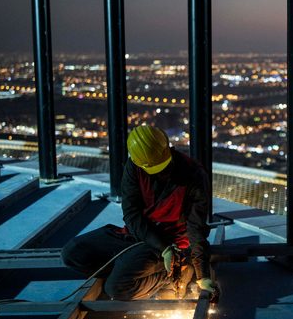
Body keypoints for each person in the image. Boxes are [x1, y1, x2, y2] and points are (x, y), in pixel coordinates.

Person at [61, 125, 217, 300]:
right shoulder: (134, 168)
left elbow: (195, 227)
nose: (161, 174)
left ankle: (175, 272)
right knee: (72, 253)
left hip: (172, 243)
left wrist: (203, 275)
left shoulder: (193, 174)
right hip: (140, 236)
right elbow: (131, 214)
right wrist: (161, 248)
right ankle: (132, 266)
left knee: (117, 288)